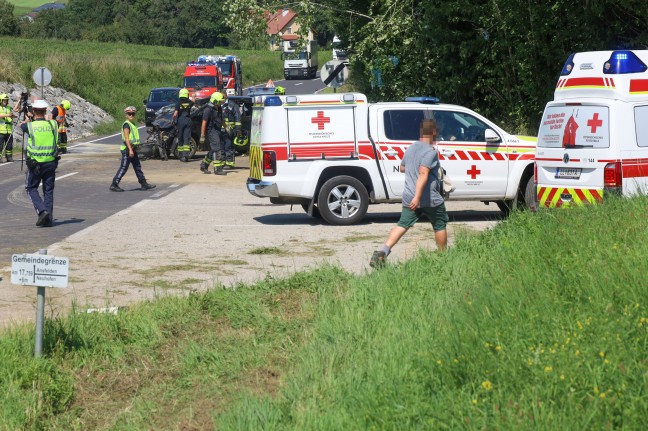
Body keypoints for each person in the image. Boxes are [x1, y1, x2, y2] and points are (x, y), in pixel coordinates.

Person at [370, 118, 449, 267]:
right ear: (433, 133)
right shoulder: (430, 151)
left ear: (421, 132)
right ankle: (443, 256)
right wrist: (418, 196)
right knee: (440, 224)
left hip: (408, 195)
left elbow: (402, 168)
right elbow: (423, 173)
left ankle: (382, 252)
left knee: (402, 224)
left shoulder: (411, 148)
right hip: (428, 198)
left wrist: (415, 168)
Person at [22, 99, 59, 227]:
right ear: (45, 111)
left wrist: (28, 118)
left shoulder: (30, 126)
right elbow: (52, 122)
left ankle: (42, 211)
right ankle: (48, 220)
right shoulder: (53, 124)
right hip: (51, 163)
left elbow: (23, 126)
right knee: (48, 191)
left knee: (31, 188)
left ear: (33, 111)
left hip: (36, 164)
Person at [110, 106, 156, 192]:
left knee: (137, 166)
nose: (131, 115)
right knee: (124, 167)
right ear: (126, 115)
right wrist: (130, 150)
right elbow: (127, 138)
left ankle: (144, 184)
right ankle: (114, 184)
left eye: (133, 114)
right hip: (127, 149)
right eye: (129, 114)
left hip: (133, 149)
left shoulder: (133, 124)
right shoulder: (126, 125)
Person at [199, 92, 225, 174]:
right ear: (215, 101)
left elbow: (221, 119)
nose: (221, 103)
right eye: (220, 102)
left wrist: (226, 126)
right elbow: (204, 122)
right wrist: (202, 135)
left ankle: (204, 165)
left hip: (217, 130)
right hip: (211, 131)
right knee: (217, 149)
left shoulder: (218, 108)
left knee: (213, 149)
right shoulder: (208, 110)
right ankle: (218, 169)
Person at [220, 95, 241, 170]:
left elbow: (237, 117)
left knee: (229, 147)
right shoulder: (219, 105)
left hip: (230, 130)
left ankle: (230, 163)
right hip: (220, 130)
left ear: (225, 96)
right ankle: (222, 163)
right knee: (221, 147)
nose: (221, 98)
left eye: (222, 96)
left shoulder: (232, 105)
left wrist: (238, 129)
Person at [172, 88, 193, 162]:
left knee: (180, 138)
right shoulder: (190, 102)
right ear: (187, 94)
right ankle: (186, 156)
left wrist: (173, 120)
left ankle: (180, 156)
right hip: (188, 120)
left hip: (180, 121)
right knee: (186, 138)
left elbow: (175, 114)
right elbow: (194, 102)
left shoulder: (178, 103)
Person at [0, 93, 16, 162]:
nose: (5, 102)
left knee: (9, 146)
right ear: (1, 100)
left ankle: (9, 157)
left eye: (6, 100)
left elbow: (12, 113)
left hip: (9, 130)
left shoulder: (9, 108)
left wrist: (12, 116)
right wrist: (7, 115)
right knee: (0, 146)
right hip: (1, 130)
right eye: (4, 100)